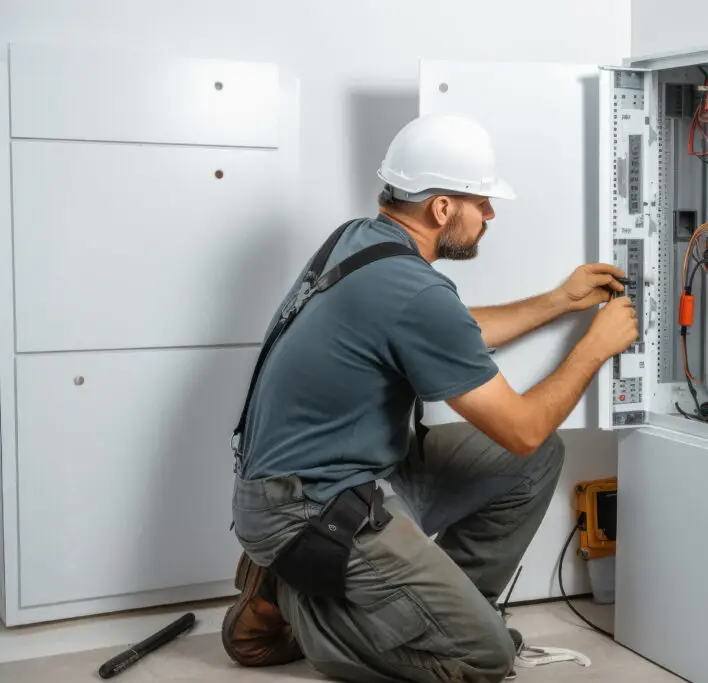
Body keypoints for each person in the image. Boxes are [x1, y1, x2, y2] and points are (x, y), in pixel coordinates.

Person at [221, 113, 639, 683]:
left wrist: (559, 301)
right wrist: (594, 348)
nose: (490, 215)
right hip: (306, 509)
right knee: (484, 659)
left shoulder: (359, 239)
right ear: (442, 208)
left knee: (532, 465)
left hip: (350, 478)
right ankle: (299, 599)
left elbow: (448, 332)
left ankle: (444, 610)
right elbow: (521, 426)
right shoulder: (411, 289)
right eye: (482, 202)